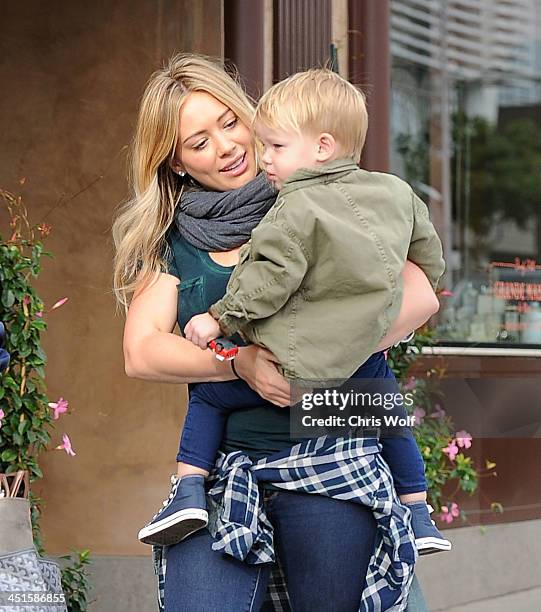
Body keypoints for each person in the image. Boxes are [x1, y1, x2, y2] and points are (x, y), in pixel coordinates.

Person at [113, 53, 439, 611]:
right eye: (199, 142)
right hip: (227, 467)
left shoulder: (327, 196)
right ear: (176, 164)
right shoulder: (173, 240)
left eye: (229, 122)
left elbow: (419, 295)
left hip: (332, 447)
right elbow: (142, 351)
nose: (227, 146)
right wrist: (240, 364)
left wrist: (303, 360)